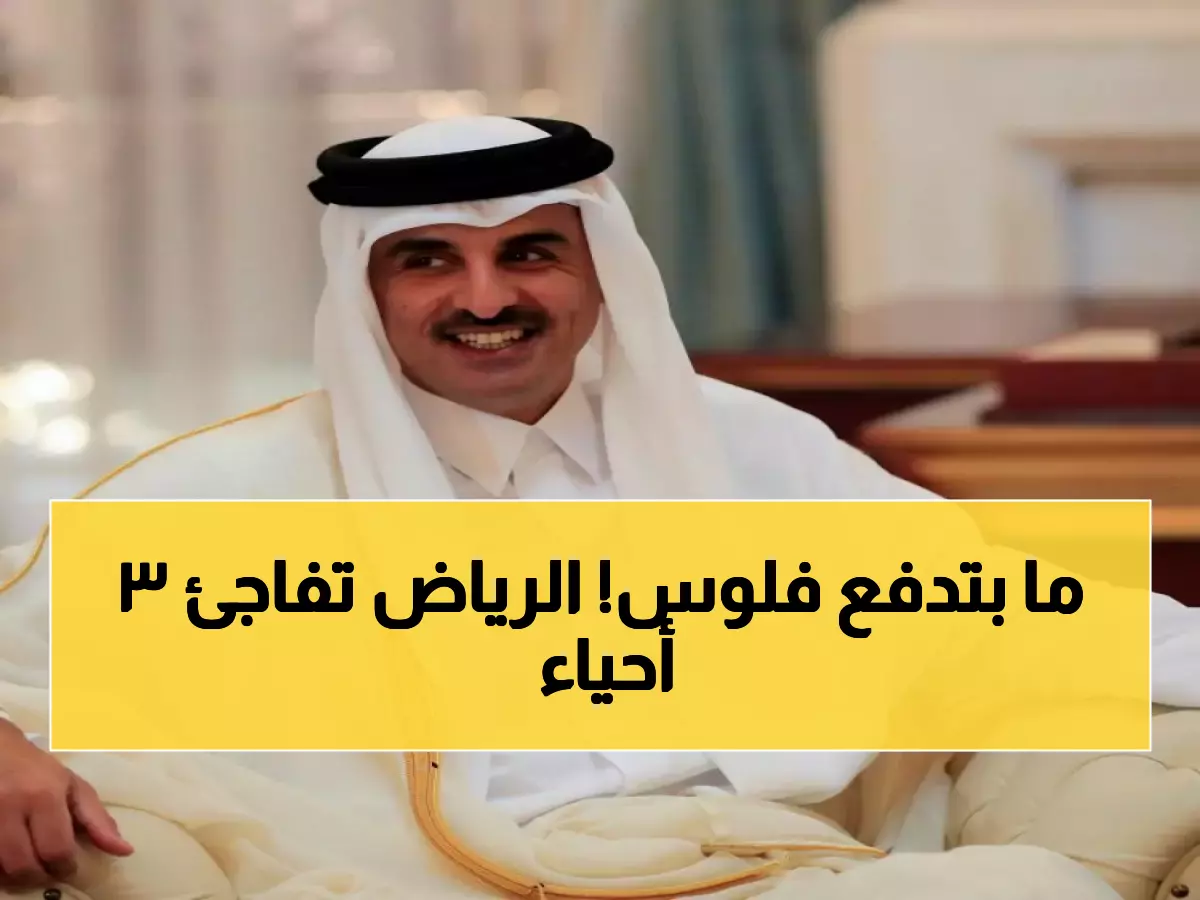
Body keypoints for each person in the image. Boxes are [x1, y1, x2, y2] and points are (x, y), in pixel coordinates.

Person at [0, 115, 1195, 897]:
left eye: (530, 252)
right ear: (366, 290)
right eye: (428, 260)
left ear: (597, 270)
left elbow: (1014, 609)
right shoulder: (229, 490)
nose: (485, 298)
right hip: (436, 877)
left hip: (759, 864)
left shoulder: (746, 444)